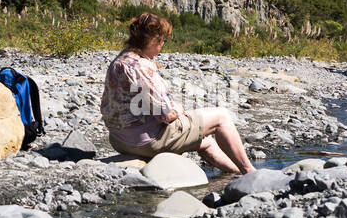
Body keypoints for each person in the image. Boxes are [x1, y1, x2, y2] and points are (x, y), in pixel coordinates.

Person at [101, 12, 255, 174]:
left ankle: (236, 173)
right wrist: (180, 108)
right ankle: (250, 172)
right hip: (145, 141)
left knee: (205, 140)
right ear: (154, 40)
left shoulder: (121, 59)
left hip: (119, 139)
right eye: (163, 41)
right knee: (221, 116)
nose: (163, 46)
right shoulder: (142, 66)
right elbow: (167, 114)